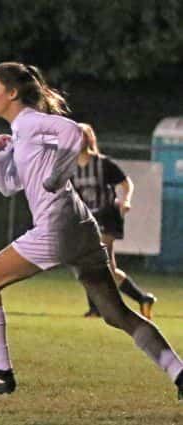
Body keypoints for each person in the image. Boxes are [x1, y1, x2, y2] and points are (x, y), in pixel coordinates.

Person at [0, 62, 183, 401]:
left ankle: (1, 372)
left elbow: (73, 133)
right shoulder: (21, 131)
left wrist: (57, 176)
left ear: (12, 93)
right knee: (116, 314)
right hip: (81, 227)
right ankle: (179, 372)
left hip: (55, 228)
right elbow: (10, 187)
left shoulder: (29, 121)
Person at [72, 123, 157, 319]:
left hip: (106, 216)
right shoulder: (71, 167)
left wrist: (126, 200)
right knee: (91, 264)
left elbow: (127, 183)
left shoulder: (102, 163)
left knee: (101, 264)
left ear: (89, 139)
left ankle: (103, 306)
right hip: (87, 219)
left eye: (82, 136)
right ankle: (139, 299)